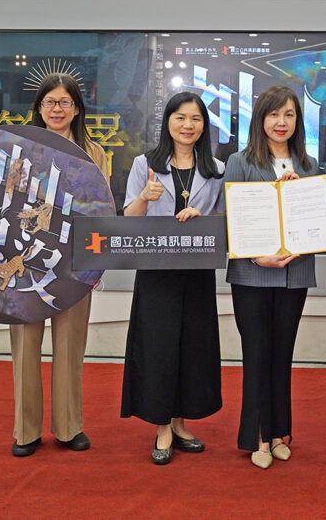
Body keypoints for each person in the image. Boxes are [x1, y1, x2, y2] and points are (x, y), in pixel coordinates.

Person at [0, 73, 108, 457]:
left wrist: (93, 265)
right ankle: (26, 431)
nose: (57, 109)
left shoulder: (93, 152)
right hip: (21, 259)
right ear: (38, 108)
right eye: (49, 102)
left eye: (65, 102)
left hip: (72, 265)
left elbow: (99, 211)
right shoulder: (16, 147)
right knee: (24, 345)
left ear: (77, 108)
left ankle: (69, 428)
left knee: (70, 348)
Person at [121, 91, 225, 465]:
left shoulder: (217, 168)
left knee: (192, 347)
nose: (187, 125)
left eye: (195, 119)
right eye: (180, 117)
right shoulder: (144, 164)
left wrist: (204, 217)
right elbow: (128, 220)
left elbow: (226, 224)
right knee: (158, 346)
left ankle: (181, 423)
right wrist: (145, 199)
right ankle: (162, 426)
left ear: (203, 126)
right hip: (156, 269)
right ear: (168, 122)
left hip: (197, 271)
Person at [223, 86, 320, 469]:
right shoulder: (240, 161)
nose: (281, 123)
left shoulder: (310, 165)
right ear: (260, 119)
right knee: (257, 354)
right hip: (251, 274)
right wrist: (257, 254)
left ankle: (280, 432)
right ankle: (259, 438)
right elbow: (233, 218)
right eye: (274, 114)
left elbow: (317, 223)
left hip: (295, 274)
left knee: (282, 356)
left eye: (289, 115)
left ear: (298, 121)